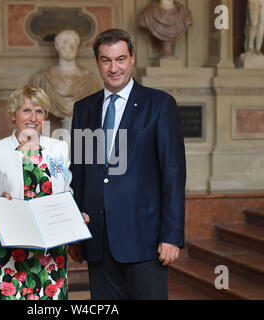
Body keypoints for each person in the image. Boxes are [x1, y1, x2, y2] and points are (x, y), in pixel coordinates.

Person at [68, 29, 186, 300]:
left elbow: (173, 173)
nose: (114, 68)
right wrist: (75, 233)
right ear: (97, 62)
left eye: (120, 59)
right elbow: (80, 173)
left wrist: (172, 234)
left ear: (132, 59)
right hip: (98, 241)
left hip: (145, 239)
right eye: (106, 60)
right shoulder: (84, 109)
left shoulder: (159, 104)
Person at [0, 84, 87, 300]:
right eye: (26, 110)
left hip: (52, 251)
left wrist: (75, 215)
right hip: (12, 251)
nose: (33, 117)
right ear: (13, 116)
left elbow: (66, 190)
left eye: (39, 111)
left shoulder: (57, 149)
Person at [31, 30, 99, 121]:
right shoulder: (42, 79)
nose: (72, 47)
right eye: (66, 43)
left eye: (74, 43)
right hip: (51, 128)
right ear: (57, 46)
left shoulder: (90, 79)